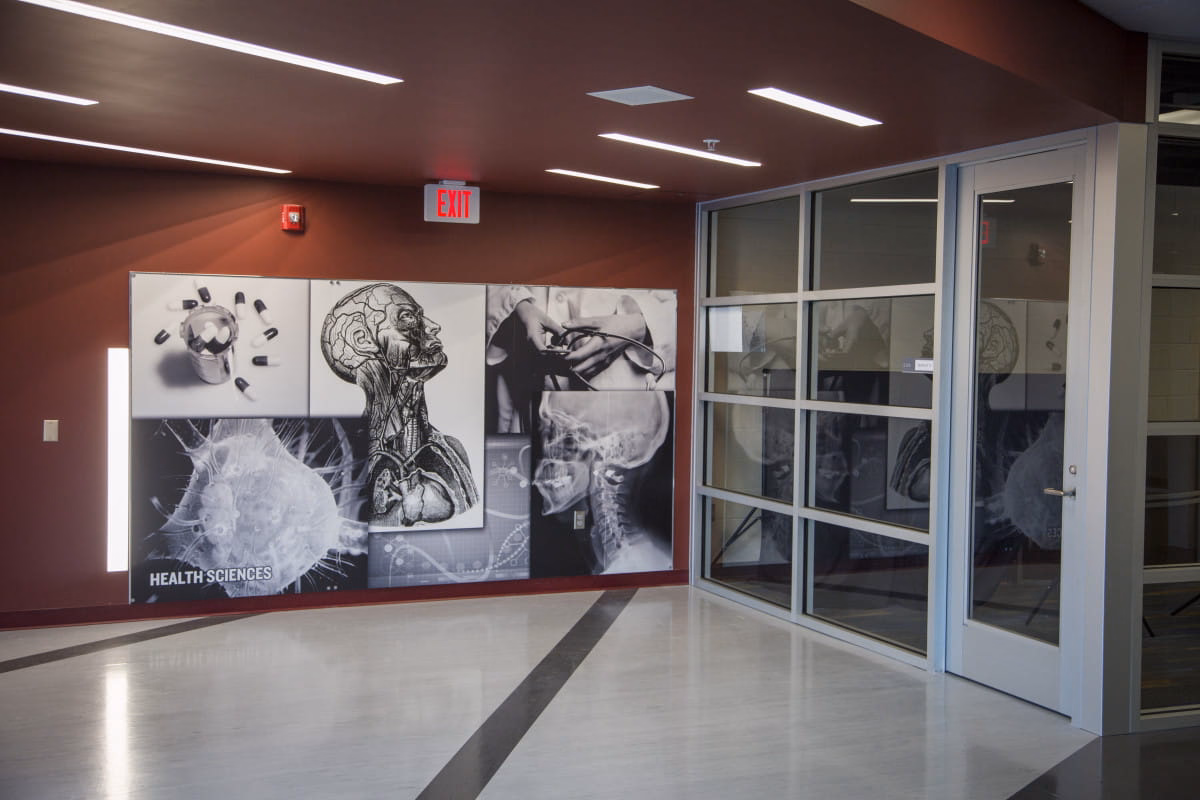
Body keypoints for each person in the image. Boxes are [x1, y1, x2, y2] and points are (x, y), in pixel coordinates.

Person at [321, 283, 478, 527]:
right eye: (407, 317)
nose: (433, 326)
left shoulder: (450, 450)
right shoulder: (352, 465)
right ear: (361, 340)